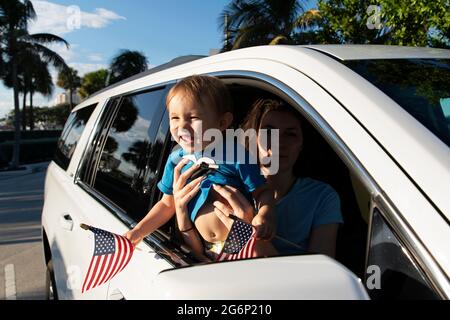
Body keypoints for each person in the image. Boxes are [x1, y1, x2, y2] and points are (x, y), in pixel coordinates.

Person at [125, 75, 276, 260]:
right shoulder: (176, 161)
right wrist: (139, 231)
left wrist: (265, 214)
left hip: (239, 246)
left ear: (222, 123)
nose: (182, 126)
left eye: (193, 117)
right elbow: (167, 204)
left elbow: (262, 192)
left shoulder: (235, 155)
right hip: (201, 249)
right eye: (174, 118)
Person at [210, 98, 343, 258]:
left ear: (302, 143)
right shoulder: (229, 186)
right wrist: (184, 224)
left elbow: (323, 276)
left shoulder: (322, 196)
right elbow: (217, 261)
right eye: (268, 132)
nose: (278, 142)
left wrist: (248, 234)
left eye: (290, 134)